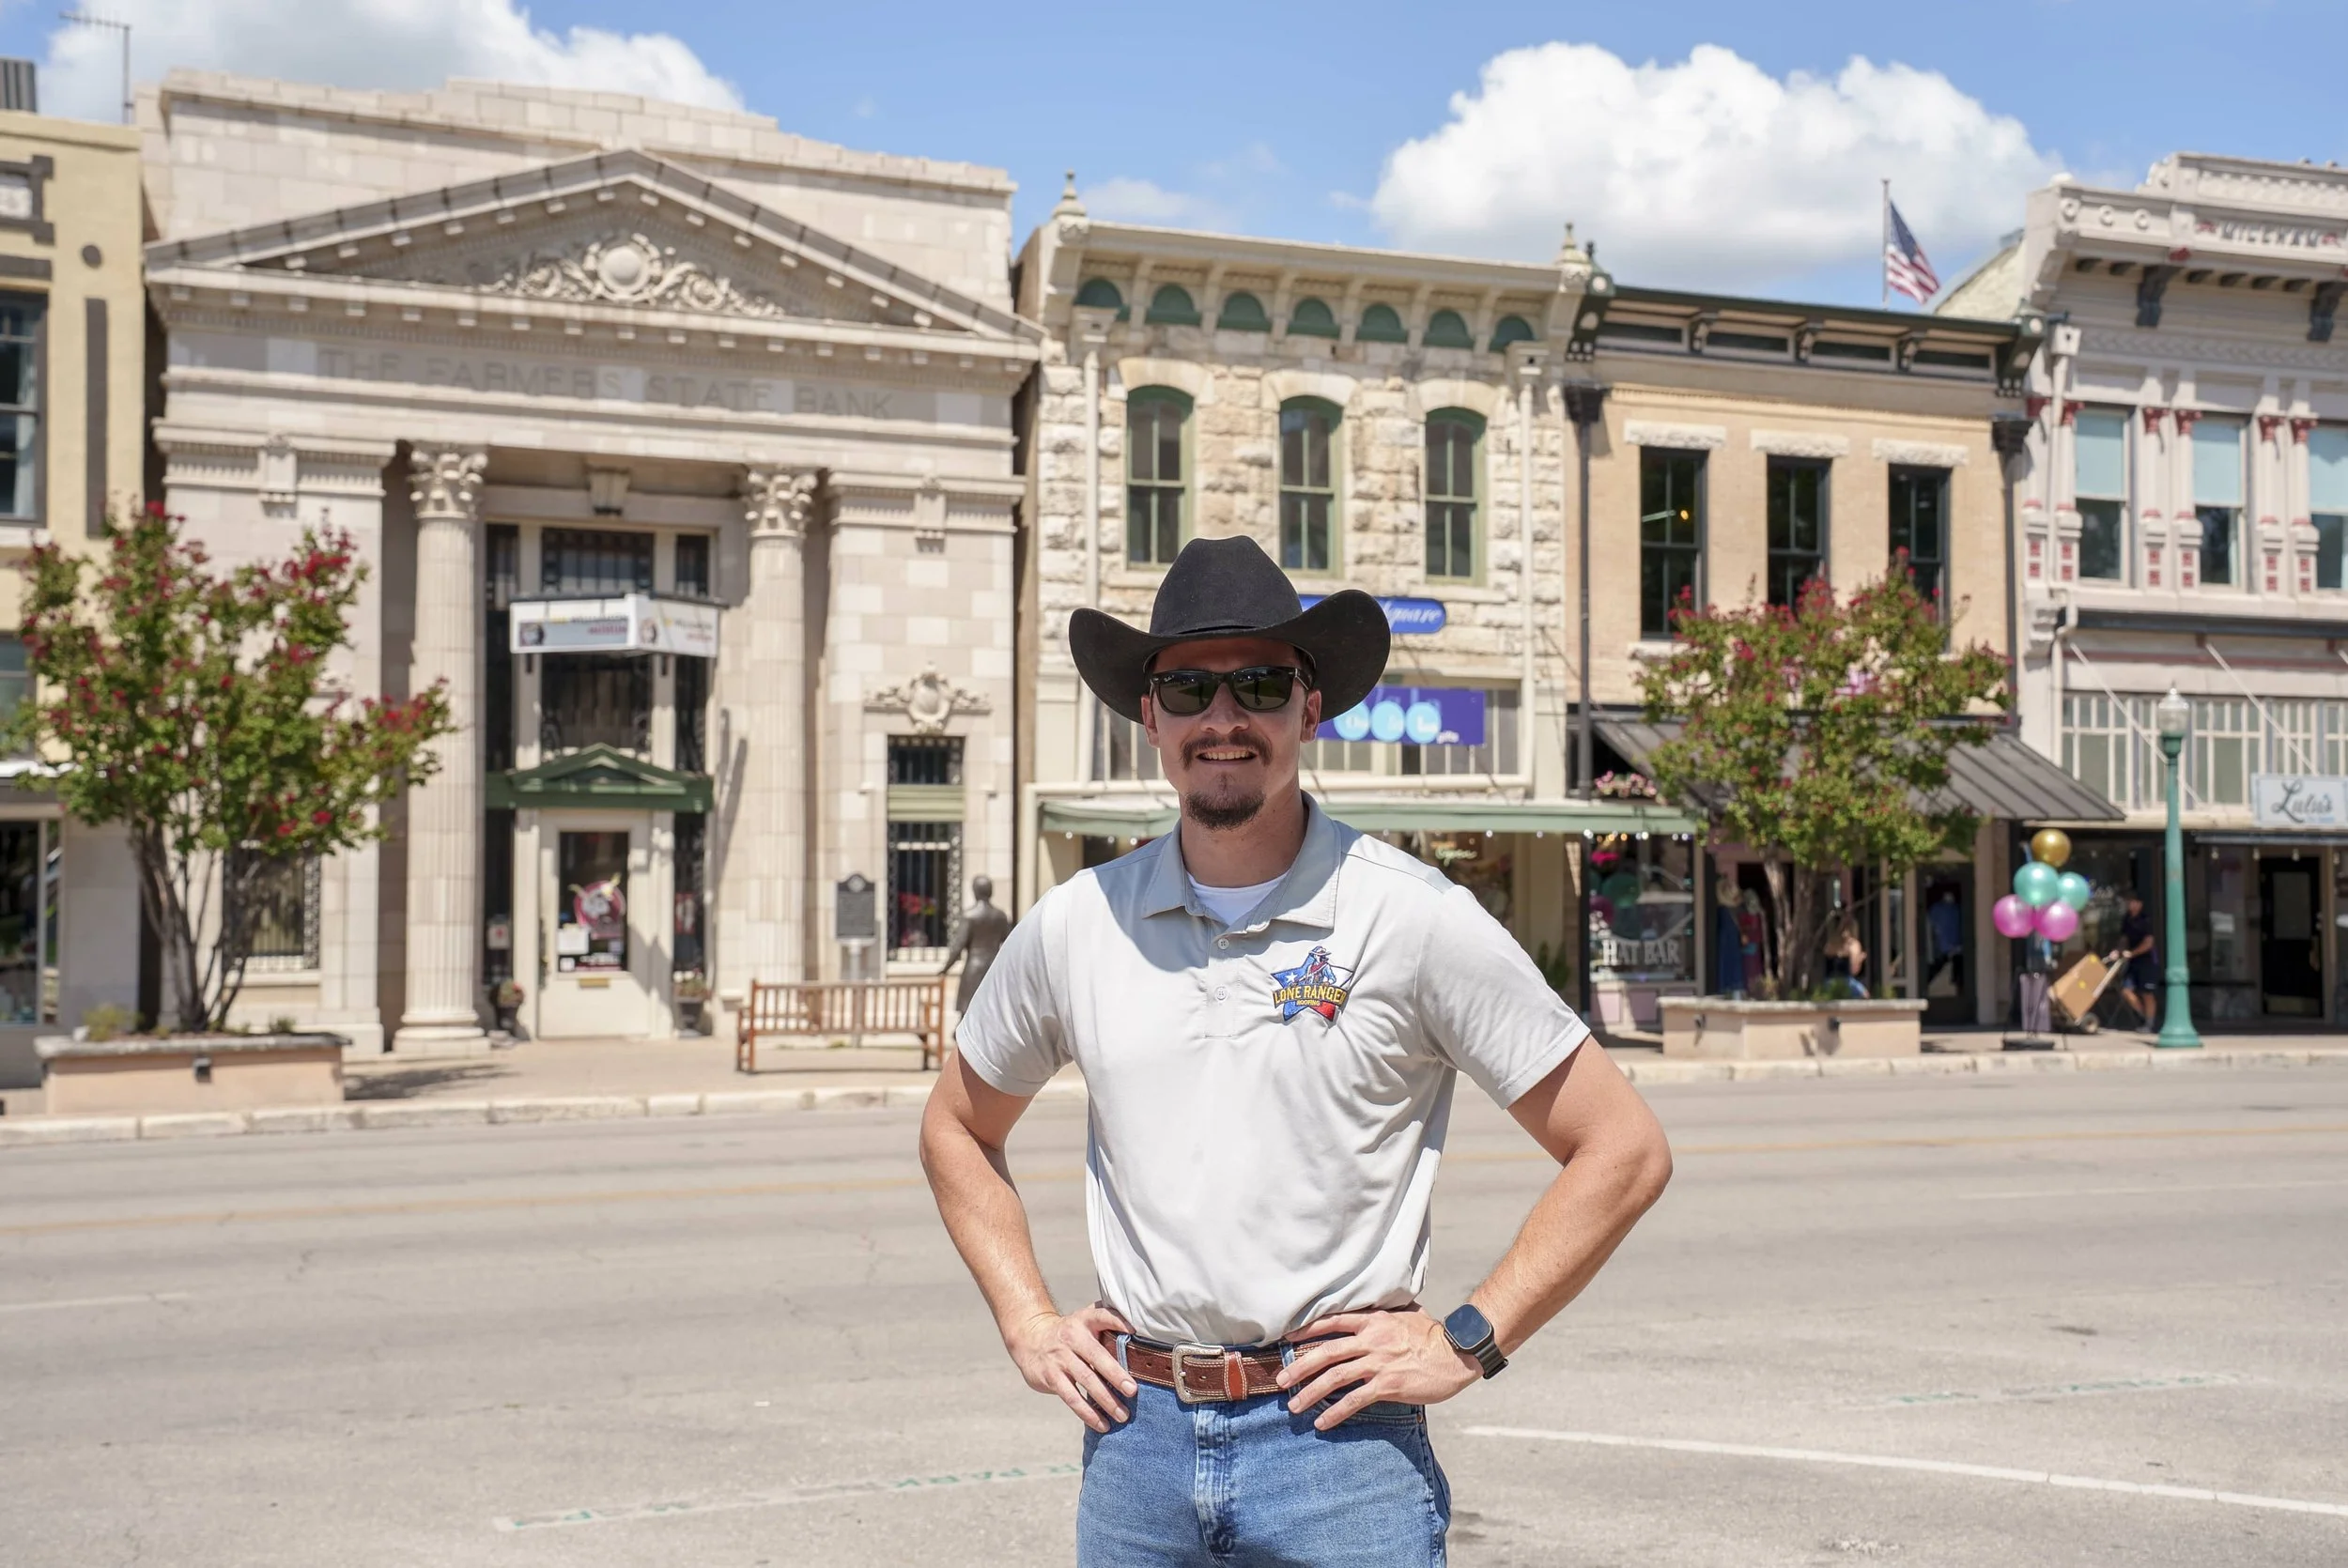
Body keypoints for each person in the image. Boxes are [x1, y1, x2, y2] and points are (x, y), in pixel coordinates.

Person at [919, 535, 1674, 1567]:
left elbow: (1621, 1147)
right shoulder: (1077, 924)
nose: (1222, 719)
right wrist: (1027, 1318)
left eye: (1259, 684)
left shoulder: (1410, 918)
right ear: (1150, 716)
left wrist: (1468, 1338)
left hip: (1339, 1449)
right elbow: (957, 1125)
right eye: (1188, 687)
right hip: (1134, 1447)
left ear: (1308, 710)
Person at [939, 874, 1015, 1014]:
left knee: (968, 1012)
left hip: (973, 968)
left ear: (975, 891)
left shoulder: (970, 915)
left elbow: (958, 946)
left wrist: (945, 968)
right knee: (991, 1011)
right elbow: (1009, 942)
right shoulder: (1000, 916)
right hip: (993, 967)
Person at [2118, 890, 2159, 1029]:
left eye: (2135, 902)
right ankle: (2143, 1016)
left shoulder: (2146, 920)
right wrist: (2117, 951)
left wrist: (2133, 953)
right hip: (2133, 961)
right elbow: (2124, 938)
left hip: (2147, 961)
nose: (2132, 905)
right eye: (2129, 902)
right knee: (2126, 990)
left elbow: (2148, 943)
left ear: (2140, 904)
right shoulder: (2127, 919)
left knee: (2147, 993)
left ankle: (2150, 1023)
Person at [1823, 916, 1869, 999]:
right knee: (1865, 995)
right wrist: (1860, 959)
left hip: (1828, 983)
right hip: (1846, 982)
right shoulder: (1853, 945)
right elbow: (1854, 970)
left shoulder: (1830, 944)